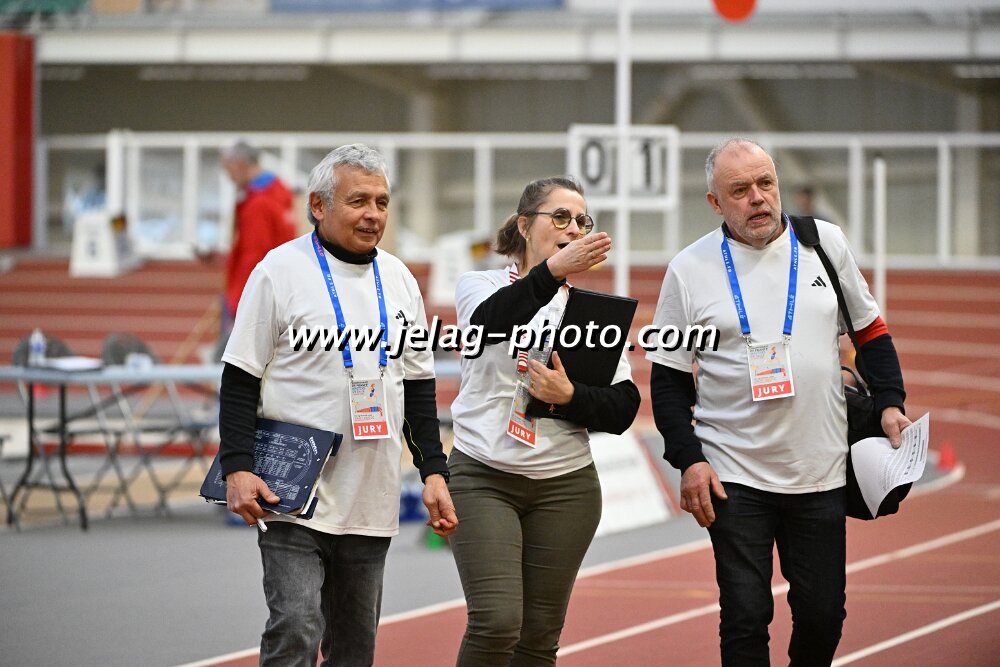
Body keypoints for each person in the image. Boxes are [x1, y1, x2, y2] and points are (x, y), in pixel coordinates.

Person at [647, 138, 909, 666]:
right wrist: (690, 459)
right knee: (745, 616)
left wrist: (890, 401)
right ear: (715, 202)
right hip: (734, 474)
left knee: (822, 615)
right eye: (739, 190)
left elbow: (870, 330)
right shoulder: (689, 268)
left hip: (820, 469)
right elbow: (669, 380)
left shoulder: (824, 243)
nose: (758, 197)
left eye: (765, 183)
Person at [218, 143, 458, 667]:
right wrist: (237, 467)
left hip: (370, 496)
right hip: (290, 494)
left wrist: (434, 472)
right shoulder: (278, 271)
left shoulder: (400, 280)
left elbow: (418, 387)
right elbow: (239, 377)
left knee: (354, 650)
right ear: (318, 205)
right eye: (358, 201)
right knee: (296, 627)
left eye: (381, 202)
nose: (373, 214)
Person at [448, 176, 640, 666]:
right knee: (496, 622)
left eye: (582, 221)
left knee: (538, 639)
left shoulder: (592, 311)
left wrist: (570, 397)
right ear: (524, 226)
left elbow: (623, 406)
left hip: (566, 486)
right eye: (560, 217)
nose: (574, 228)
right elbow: (487, 325)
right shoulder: (481, 285)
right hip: (484, 475)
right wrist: (552, 272)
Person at [219, 140, 297, 345]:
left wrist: (239, 304)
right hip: (278, 293)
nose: (228, 177)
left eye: (228, 169)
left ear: (239, 164)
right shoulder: (278, 193)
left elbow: (254, 256)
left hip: (256, 299)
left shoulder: (258, 204)